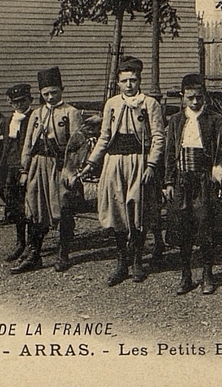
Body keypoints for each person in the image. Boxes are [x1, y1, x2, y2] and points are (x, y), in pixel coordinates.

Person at [81, 56, 165, 286]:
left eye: (134, 80)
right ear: (118, 82)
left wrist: (151, 165)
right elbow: (104, 136)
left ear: (139, 81)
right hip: (114, 162)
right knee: (117, 211)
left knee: (137, 210)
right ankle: (122, 262)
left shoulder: (149, 104)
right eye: (125, 80)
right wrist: (91, 162)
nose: (129, 85)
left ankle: (138, 260)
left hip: (139, 162)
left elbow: (158, 137)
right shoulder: (111, 104)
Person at [163, 73, 222, 295]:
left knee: (205, 227)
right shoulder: (176, 122)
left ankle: (207, 274)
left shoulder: (215, 120)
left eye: (199, 97)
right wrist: (168, 182)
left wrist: (221, 170)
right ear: (183, 96)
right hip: (182, 181)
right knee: (183, 227)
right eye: (191, 97)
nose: (195, 102)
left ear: (205, 96)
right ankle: (185, 274)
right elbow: (169, 154)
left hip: (205, 181)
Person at [12, 66, 84, 274]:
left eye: (54, 92)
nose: (50, 97)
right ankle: (35, 254)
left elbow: (78, 145)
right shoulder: (36, 113)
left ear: (62, 89)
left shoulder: (71, 112)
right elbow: (27, 143)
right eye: (46, 94)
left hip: (59, 167)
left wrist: (71, 171)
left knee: (62, 207)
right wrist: (24, 169)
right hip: (37, 165)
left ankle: (63, 254)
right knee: (35, 207)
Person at [0, 83, 35, 263]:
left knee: (31, 206)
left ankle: (32, 245)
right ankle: (20, 242)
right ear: (11, 104)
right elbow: (4, 146)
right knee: (14, 206)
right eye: (15, 102)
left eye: (22, 101)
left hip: (27, 168)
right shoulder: (7, 121)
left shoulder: (35, 118)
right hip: (10, 168)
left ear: (30, 100)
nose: (19, 105)